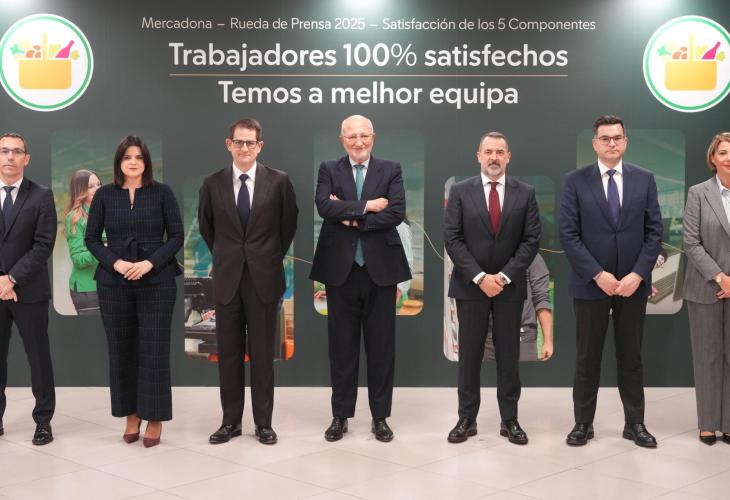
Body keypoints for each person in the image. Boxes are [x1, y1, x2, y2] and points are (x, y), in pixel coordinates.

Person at [560, 115, 662, 448]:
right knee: (587, 357)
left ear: (626, 142)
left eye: (617, 137)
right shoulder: (575, 181)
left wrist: (638, 275)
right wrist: (597, 274)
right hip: (591, 283)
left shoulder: (645, 179)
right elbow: (569, 234)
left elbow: (654, 232)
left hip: (633, 285)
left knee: (631, 357)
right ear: (595, 143)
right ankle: (582, 424)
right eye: (605, 138)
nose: (612, 143)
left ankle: (635, 424)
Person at [310, 115, 411, 443]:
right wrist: (369, 206)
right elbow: (324, 207)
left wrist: (352, 217)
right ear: (342, 140)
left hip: (381, 270)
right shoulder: (329, 169)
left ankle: (380, 417)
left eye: (364, 135)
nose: (358, 142)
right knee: (342, 348)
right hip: (340, 270)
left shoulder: (391, 169)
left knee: (382, 348)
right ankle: (340, 415)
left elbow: (395, 212)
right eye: (352, 136)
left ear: (373, 137)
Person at [199, 118, 298, 445]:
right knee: (229, 354)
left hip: (264, 278)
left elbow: (288, 225)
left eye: (250, 142)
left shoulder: (279, 181)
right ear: (229, 144)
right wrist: (229, 256)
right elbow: (207, 228)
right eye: (238, 142)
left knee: (262, 353)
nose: (244, 148)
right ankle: (230, 422)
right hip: (227, 278)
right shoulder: (212, 183)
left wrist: (265, 255)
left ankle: (263, 423)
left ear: (260, 146)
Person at [85, 136, 183, 448]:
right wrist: (116, 263)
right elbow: (91, 239)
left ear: (146, 162)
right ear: (119, 162)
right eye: (127, 157)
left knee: (154, 350)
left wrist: (149, 263)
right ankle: (131, 414)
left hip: (157, 280)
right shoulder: (104, 195)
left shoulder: (163, 193)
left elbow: (176, 236)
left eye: (139, 157)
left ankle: (154, 418)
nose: (133, 162)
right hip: (114, 281)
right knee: (121, 349)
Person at [444, 131, 540, 445]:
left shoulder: (525, 193)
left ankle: (509, 420)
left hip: (509, 289)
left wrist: (504, 277)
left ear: (508, 157)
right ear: (478, 156)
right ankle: (466, 419)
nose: (494, 157)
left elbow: (531, 241)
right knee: (469, 356)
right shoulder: (460, 191)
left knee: (509, 356)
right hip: (470, 287)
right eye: (488, 152)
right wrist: (479, 277)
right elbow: (452, 238)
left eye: (500, 152)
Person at [0, 132, 57, 445]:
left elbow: (43, 244)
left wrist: (11, 279)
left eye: (16, 151)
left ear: (27, 158)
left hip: (29, 291)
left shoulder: (41, 195)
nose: (10, 157)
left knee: (38, 358)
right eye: (4, 151)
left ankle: (43, 421)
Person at [682, 132, 730, 445]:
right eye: (723, 152)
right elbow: (691, 242)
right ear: (713, 158)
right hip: (705, 288)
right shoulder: (698, 193)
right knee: (707, 357)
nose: (729, 158)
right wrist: (721, 277)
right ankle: (708, 423)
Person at [484, 253, 554, 362]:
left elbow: (542, 300)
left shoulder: (532, 257)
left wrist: (548, 341)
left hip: (523, 336)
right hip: (487, 338)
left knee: (525, 374)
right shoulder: (483, 255)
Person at [65, 169, 102, 315]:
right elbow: (78, 258)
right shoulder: (74, 218)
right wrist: (105, 251)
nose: (97, 189)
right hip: (87, 290)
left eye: (98, 184)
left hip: (111, 287)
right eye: (90, 186)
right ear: (80, 191)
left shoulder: (107, 211)